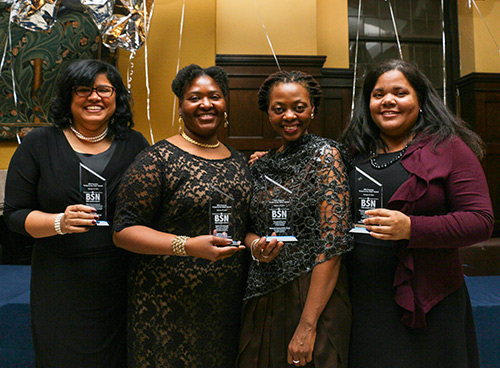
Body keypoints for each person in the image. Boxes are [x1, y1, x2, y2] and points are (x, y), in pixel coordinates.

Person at [341, 59, 493, 368]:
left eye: (400, 92)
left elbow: (480, 221)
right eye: (378, 93)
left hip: (428, 300)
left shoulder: (449, 148)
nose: (388, 101)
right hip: (363, 299)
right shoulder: (353, 151)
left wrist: (411, 227)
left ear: (420, 100)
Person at [3, 59, 149, 367]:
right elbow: (15, 215)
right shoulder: (38, 143)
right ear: (68, 96)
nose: (94, 97)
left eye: (104, 89)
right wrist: (59, 222)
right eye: (83, 89)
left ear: (117, 96)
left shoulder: (134, 144)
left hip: (120, 279)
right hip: (59, 279)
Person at [112, 64, 252, 368]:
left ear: (225, 103)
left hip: (224, 307)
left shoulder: (240, 161)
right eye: (194, 97)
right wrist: (186, 246)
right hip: (165, 308)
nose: (206, 104)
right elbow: (123, 231)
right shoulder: (157, 159)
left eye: (214, 96)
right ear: (181, 106)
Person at [237, 70, 353, 368]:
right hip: (264, 293)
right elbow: (248, 229)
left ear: (312, 108)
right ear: (268, 112)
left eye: (299, 107)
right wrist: (255, 246)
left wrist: (307, 326)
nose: (290, 116)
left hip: (312, 294)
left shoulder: (326, 156)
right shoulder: (261, 163)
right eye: (279, 109)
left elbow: (333, 243)